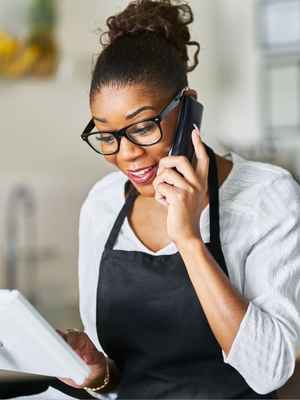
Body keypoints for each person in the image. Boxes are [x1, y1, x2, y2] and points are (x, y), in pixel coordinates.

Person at [37, 0, 300, 399]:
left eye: (143, 127)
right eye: (107, 136)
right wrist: (94, 371)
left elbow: (269, 372)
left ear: (189, 107)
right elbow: (116, 377)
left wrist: (189, 240)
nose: (126, 154)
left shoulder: (265, 196)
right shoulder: (103, 204)